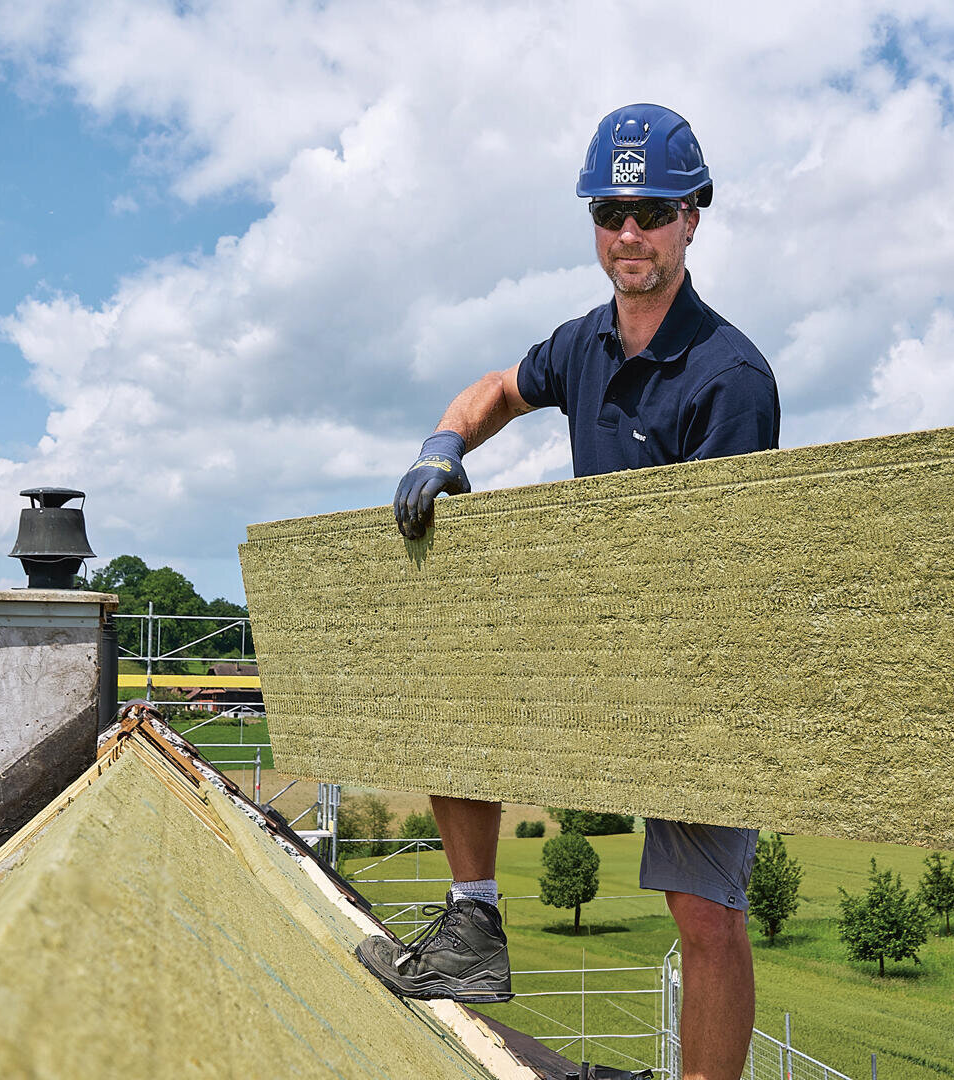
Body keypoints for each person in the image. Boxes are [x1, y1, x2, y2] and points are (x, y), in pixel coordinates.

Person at [356, 103, 778, 1080]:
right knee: (453, 682)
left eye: (651, 211)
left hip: (697, 670)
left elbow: (705, 563)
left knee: (704, 912)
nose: (628, 232)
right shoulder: (584, 346)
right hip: (602, 645)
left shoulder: (729, 376)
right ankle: (472, 931)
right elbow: (499, 387)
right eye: (610, 211)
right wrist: (443, 442)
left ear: (692, 218)